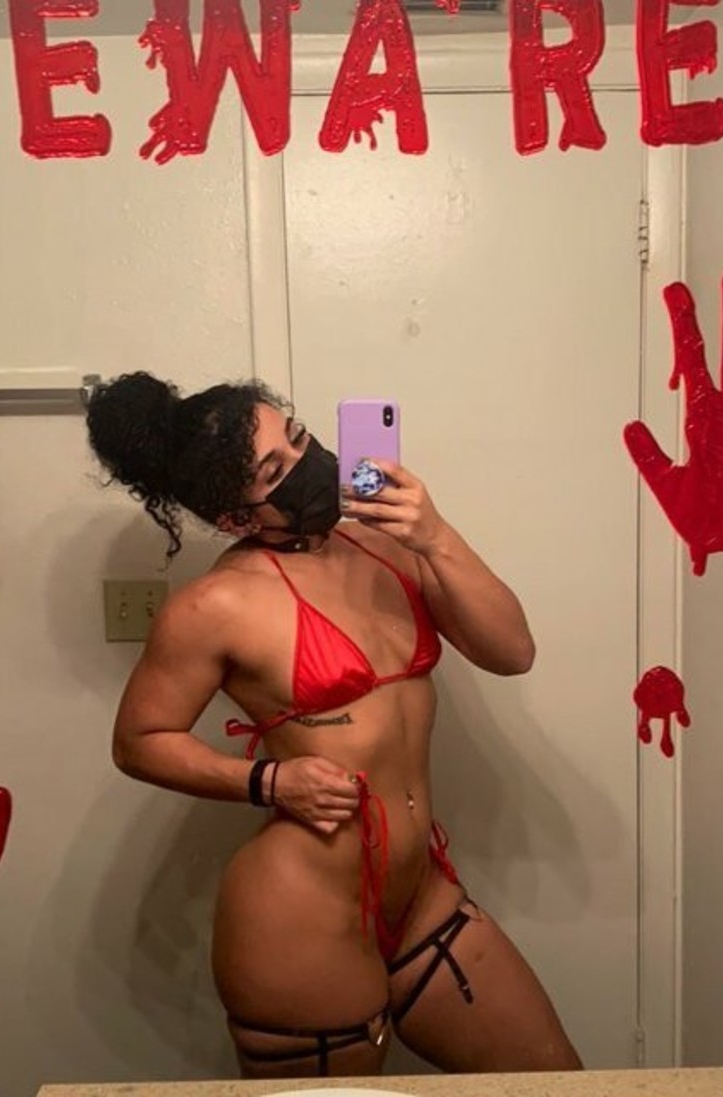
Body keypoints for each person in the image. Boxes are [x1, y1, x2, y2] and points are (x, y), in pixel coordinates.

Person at [86, 371, 582, 1079]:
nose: (306, 460)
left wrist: (436, 535)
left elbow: (513, 652)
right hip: (301, 918)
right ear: (235, 517)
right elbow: (138, 742)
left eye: (297, 437)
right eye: (274, 470)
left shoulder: (386, 546)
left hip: (421, 898)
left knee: (559, 1081)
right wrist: (269, 781)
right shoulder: (215, 605)